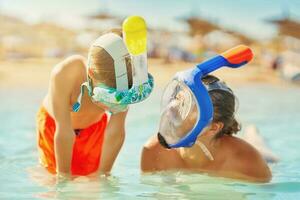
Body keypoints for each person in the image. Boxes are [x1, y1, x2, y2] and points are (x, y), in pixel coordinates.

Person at [36, 28, 153, 179]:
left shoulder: (125, 78)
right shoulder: (66, 73)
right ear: (90, 74)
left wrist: (103, 174)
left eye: (117, 99)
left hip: (93, 129)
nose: (110, 107)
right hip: (55, 127)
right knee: (52, 178)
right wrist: (62, 179)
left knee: (92, 181)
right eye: (107, 97)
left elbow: (115, 131)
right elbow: (63, 132)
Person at [141, 75, 272, 182]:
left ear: (213, 128)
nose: (173, 110)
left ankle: (253, 132)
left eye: (185, 107)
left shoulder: (247, 162)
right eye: (178, 99)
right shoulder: (154, 152)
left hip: (267, 159)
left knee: (257, 142)